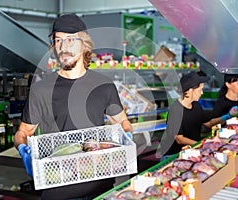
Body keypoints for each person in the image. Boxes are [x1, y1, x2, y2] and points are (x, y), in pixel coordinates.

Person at [14, 14, 133, 200]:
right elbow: (23, 132)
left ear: (84, 44)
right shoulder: (41, 89)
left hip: (100, 186)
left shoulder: (103, 85)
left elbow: (122, 122)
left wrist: (127, 137)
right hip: (57, 188)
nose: (63, 47)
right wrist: (23, 150)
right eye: (58, 41)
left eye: (70, 40)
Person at [159, 71, 212, 159]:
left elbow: (209, 123)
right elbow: (179, 139)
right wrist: (201, 144)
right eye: (199, 90)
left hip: (190, 151)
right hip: (173, 156)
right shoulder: (175, 110)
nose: (202, 93)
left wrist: (227, 117)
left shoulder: (196, 106)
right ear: (190, 91)